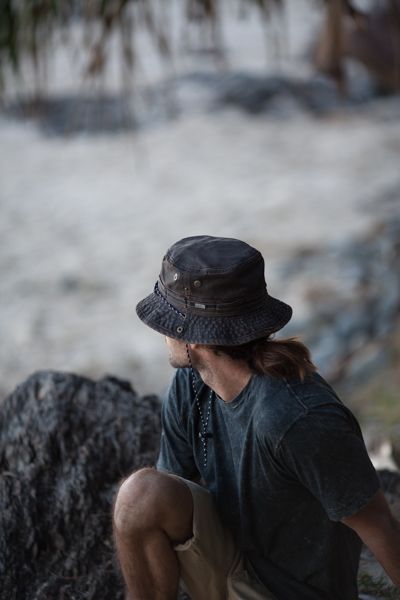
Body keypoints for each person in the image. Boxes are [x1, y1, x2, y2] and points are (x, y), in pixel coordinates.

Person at [113, 235, 400, 600]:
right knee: (140, 495)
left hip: (289, 593)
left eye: (169, 319)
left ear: (195, 338)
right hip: (230, 561)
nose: (162, 331)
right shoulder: (191, 384)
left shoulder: (297, 418)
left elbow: (379, 525)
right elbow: (169, 497)